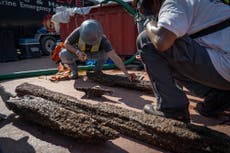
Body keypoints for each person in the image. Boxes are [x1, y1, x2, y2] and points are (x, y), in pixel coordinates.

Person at [135, 0, 230, 123]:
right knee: (172, 47)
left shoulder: (174, 2)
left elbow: (161, 41)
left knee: (147, 39)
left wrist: (149, 23)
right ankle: (218, 96)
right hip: (224, 65)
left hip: (225, 67)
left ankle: (172, 108)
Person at [59, 19, 136, 81]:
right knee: (63, 54)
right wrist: (77, 52)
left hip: (95, 54)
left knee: (107, 53)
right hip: (80, 53)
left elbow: (114, 57)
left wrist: (126, 73)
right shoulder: (78, 31)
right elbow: (66, 43)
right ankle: (74, 72)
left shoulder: (103, 39)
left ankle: (97, 71)